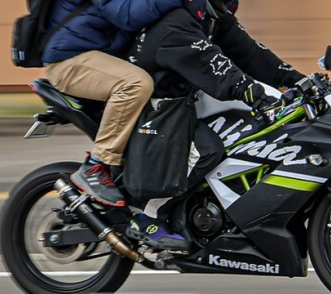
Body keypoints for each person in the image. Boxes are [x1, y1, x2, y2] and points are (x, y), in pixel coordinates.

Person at [123, 0, 305, 250]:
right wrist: (256, 96)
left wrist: (296, 80)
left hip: (184, 98)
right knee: (208, 151)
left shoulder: (214, 19)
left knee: (255, 122)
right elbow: (215, 69)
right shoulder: (175, 25)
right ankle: (147, 216)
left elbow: (251, 54)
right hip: (158, 106)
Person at [42, 0, 183, 208]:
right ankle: (95, 165)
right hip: (69, 59)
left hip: (100, 54)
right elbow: (125, 15)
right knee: (135, 84)